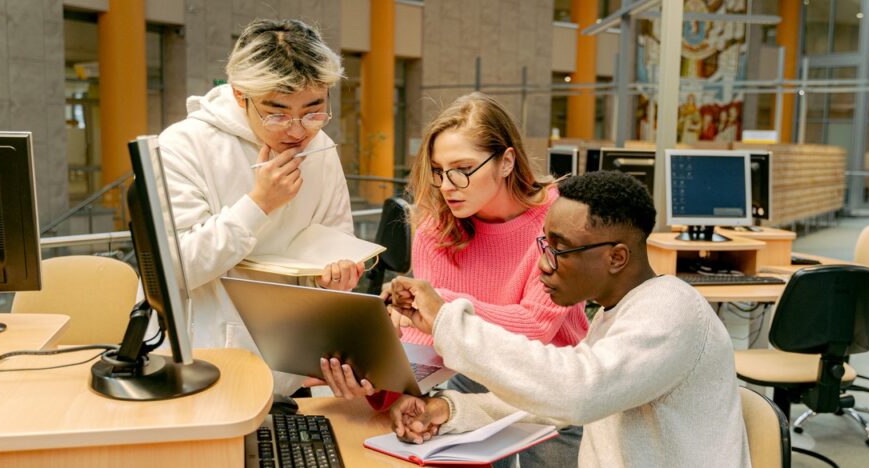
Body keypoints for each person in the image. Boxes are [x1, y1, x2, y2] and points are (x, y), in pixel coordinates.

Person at [387, 171, 751, 468]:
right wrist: (450, 409)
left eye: (560, 249)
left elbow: (577, 393)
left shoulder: (671, 312)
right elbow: (550, 402)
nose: (544, 264)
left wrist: (447, 322)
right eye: (544, 245)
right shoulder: (619, 311)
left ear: (617, 258)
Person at [316, 92, 589, 467]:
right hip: (468, 377)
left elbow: (536, 327)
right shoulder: (436, 227)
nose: (446, 185)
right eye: (439, 171)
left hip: (552, 383)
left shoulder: (558, 220)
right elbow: (424, 332)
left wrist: (441, 306)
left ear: (507, 161)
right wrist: (399, 392)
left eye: (462, 168)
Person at [157, 19, 363, 400]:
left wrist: (338, 275)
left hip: (291, 368)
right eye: (277, 113)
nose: (297, 130)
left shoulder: (322, 148)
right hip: (204, 366)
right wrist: (259, 204)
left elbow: (339, 241)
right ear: (239, 95)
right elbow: (176, 268)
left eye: (314, 110)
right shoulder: (184, 145)